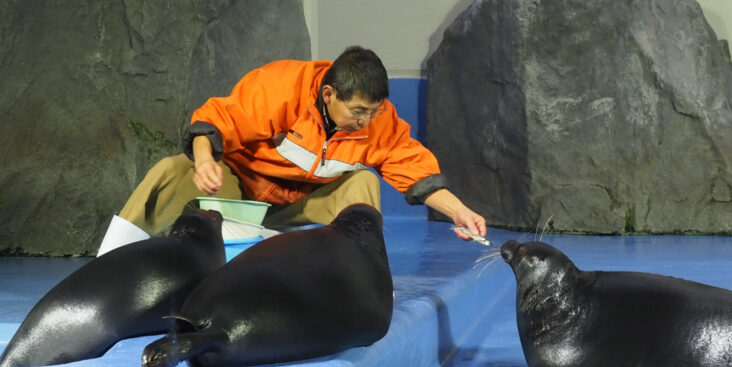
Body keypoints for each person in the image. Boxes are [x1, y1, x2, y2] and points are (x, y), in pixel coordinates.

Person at [117, 45, 487, 242]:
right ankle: (112, 259)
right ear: (329, 94)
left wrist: (459, 213)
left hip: (301, 205)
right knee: (170, 171)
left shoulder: (379, 121)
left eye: (373, 112)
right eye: (358, 111)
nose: (366, 121)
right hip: (240, 193)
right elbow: (214, 120)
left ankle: (360, 273)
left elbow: (416, 172)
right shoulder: (280, 87)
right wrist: (203, 161)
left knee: (364, 183)